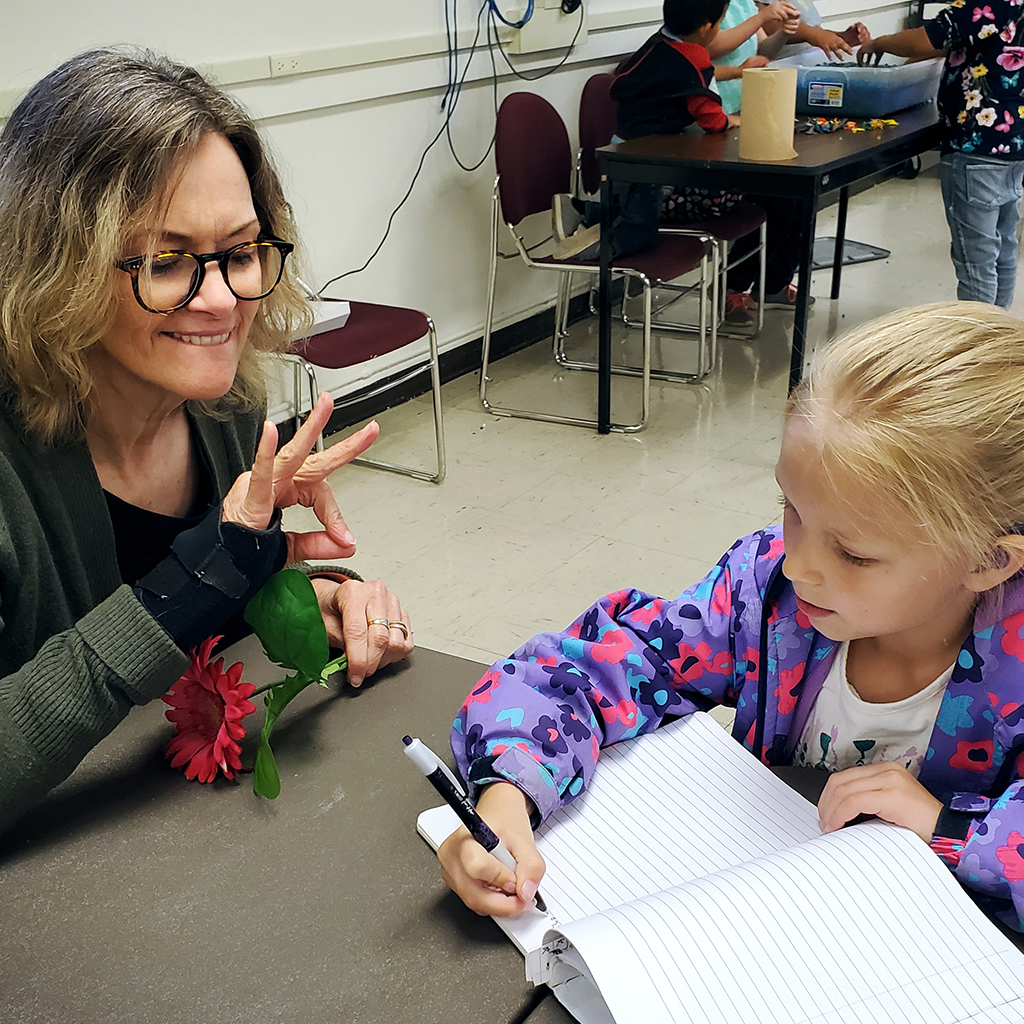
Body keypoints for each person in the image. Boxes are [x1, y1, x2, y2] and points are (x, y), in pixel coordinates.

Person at [439, 302, 1024, 934]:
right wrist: (508, 794)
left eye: (853, 552)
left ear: (989, 559)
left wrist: (949, 830)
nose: (798, 564)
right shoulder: (769, 590)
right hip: (757, 923)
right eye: (790, 506)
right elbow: (584, 668)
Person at [0, 47, 413, 832]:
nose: (222, 300)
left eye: (241, 252)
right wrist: (187, 587)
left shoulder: (219, 409)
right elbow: (169, 608)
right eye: (167, 261)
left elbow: (205, 629)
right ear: (57, 269)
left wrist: (296, 598)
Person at [709, 2, 871, 325]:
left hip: (750, 110)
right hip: (717, 120)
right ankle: (734, 285)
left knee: (794, 194)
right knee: (761, 198)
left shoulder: (742, 3)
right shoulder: (709, 9)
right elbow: (711, 47)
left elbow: (760, 48)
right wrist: (762, 18)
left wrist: (781, 32)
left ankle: (776, 281)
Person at [859, 6, 1024, 308]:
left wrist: (879, 43)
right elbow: (967, 46)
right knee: (1002, 246)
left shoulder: (984, 5)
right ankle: (1000, 337)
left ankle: (977, 345)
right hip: (1012, 144)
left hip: (977, 146)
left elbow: (927, 39)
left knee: (977, 258)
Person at [552, 0, 740, 261]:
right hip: (647, 162)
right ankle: (591, 249)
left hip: (621, 149)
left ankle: (578, 209)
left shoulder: (659, 42)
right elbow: (710, 119)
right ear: (706, 28)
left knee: (626, 211)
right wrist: (729, 121)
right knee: (639, 230)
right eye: (720, 23)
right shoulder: (694, 58)